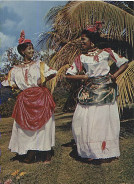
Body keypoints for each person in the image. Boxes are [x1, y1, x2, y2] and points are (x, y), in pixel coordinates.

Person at [65, 22, 128, 162]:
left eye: (83, 39)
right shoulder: (81, 58)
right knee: (84, 121)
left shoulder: (107, 52)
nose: (81, 42)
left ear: (92, 41)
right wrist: (83, 76)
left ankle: (105, 152)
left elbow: (124, 63)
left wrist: (114, 75)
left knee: (103, 122)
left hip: (105, 91)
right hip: (89, 92)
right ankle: (90, 151)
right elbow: (68, 75)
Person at [5, 30, 57, 164]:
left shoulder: (39, 65)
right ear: (22, 51)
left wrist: (42, 80)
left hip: (40, 98)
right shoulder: (15, 69)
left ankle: (46, 153)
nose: (32, 51)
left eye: (33, 48)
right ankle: (30, 151)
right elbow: (9, 83)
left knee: (44, 125)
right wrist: (20, 87)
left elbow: (52, 72)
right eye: (29, 49)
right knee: (24, 128)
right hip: (25, 100)